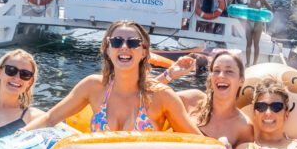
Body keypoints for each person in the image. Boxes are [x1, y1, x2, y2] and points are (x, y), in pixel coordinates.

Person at [22, 21, 201, 135]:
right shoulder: (93, 86)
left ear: (144, 51)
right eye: (116, 42)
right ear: (107, 49)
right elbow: (50, 119)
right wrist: (15, 138)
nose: (124, 47)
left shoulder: (163, 96)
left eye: (133, 42)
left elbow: (197, 142)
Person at [178, 51, 253, 149]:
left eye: (229, 71)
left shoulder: (244, 126)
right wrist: (170, 74)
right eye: (216, 70)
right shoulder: (191, 99)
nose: (221, 75)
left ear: (241, 80)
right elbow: (151, 97)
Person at [241, 0, 272, 66]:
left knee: (256, 44)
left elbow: (270, 8)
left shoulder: (262, 0)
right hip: (249, 22)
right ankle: (247, 63)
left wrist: (262, 12)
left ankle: (254, 63)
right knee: (248, 44)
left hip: (258, 23)